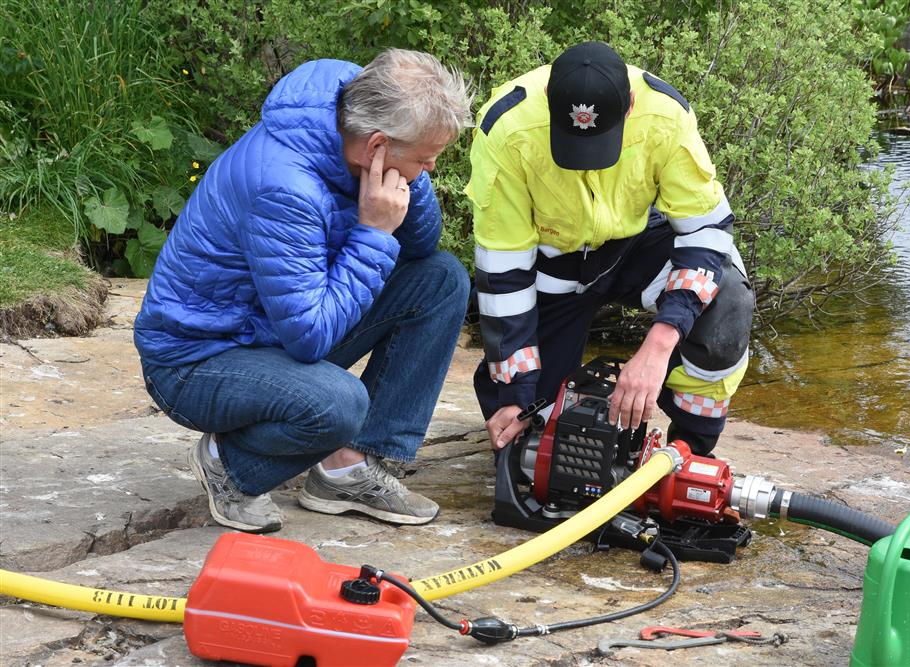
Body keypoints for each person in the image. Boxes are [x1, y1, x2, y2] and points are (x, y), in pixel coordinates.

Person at [134, 50, 472, 533]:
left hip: (273, 329)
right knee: (340, 403)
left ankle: (347, 469)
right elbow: (310, 337)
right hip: (197, 362)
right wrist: (375, 233)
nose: (433, 168)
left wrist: (404, 179)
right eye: (424, 158)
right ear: (375, 144)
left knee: (440, 279)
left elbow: (422, 245)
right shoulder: (285, 187)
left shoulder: (353, 113)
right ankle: (230, 466)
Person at [467, 41, 754, 457]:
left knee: (728, 296)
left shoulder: (666, 114)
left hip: (632, 246)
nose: (587, 163)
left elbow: (706, 231)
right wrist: (515, 392)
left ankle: (689, 450)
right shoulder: (506, 128)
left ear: (631, 103)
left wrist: (659, 344)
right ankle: (521, 397)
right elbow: (504, 268)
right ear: (549, 99)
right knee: (538, 450)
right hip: (553, 267)